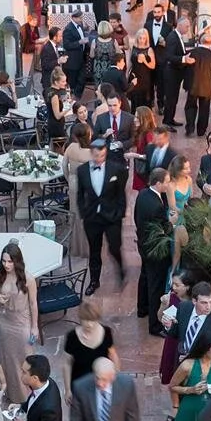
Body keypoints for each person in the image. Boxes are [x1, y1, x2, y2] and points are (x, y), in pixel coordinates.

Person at [77, 137, 128, 296]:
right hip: (92, 218)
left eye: (102, 156)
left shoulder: (116, 169)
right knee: (94, 250)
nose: (99, 159)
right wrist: (83, 212)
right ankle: (94, 281)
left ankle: (120, 270)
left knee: (114, 247)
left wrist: (120, 212)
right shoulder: (82, 170)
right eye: (97, 156)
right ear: (91, 154)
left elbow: (121, 194)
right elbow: (80, 194)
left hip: (112, 216)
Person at [0, 241, 40, 403]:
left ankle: (27, 395)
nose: (6, 264)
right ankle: (11, 392)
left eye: (10, 261)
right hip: (4, 321)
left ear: (17, 261)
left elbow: (34, 303)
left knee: (24, 358)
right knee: (7, 358)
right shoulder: (0, 275)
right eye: (4, 261)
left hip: (22, 322)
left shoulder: (28, 279)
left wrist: (34, 327)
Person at [135, 167, 174, 336]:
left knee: (144, 277)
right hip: (155, 251)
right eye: (166, 182)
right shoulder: (157, 207)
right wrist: (171, 222)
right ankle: (154, 325)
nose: (168, 185)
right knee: (155, 286)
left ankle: (141, 309)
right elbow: (162, 230)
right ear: (158, 183)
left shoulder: (142, 194)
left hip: (143, 246)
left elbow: (136, 218)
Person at [61, 297, 117, 399]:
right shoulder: (72, 337)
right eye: (85, 320)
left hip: (102, 383)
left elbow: (113, 356)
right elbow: (67, 364)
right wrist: (68, 390)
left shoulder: (107, 332)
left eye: (92, 320)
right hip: (80, 384)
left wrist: (116, 380)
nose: (89, 324)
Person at [168, 279, 211, 365]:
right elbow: (175, 333)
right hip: (179, 363)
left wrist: (192, 358)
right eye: (204, 303)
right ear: (194, 301)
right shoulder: (183, 308)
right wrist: (168, 325)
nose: (208, 307)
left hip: (200, 369)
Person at [62, 121, 92, 259]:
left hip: (74, 185)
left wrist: (70, 180)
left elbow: (64, 167)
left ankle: (76, 247)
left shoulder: (71, 147)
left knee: (74, 215)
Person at [185, 37, 211, 139]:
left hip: (193, 86)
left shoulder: (192, 53)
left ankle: (190, 128)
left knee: (190, 107)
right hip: (206, 88)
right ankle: (201, 131)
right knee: (204, 109)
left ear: (200, 42)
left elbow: (185, 66)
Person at [162, 16, 193, 130]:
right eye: (187, 26)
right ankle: (167, 122)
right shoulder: (172, 37)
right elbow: (169, 56)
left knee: (174, 98)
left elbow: (179, 51)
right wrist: (184, 59)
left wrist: (187, 53)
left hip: (176, 73)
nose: (188, 28)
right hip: (171, 74)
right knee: (171, 98)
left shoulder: (178, 36)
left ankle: (170, 119)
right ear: (179, 26)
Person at [91, 88, 134, 153]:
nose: (112, 108)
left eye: (115, 105)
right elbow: (94, 137)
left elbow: (133, 138)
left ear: (120, 103)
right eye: (110, 105)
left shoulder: (129, 118)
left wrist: (122, 144)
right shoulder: (101, 118)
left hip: (123, 153)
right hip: (106, 153)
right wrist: (104, 135)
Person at [61, 11, 88, 97]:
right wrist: (79, 42)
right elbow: (66, 45)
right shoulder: (68, 29)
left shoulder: (80, 25)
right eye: (79, 18)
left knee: (82, 78)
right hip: (73, 60)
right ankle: (73, 97)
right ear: (74, 18)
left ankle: (77, 95)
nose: (81, 19)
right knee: (73, 80)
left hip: (81, 57)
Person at [130, 104, 156, 190]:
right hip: (141, 169)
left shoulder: (148, 134)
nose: (134, 120)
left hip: (145, 170)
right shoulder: (142, 132)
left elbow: (151, 156)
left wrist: (134, 155)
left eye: (137, 117)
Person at [47, 69, 70, 148]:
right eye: (63, 81)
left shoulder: (49, 91)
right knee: (60, 148)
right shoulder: (55, 95)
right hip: (56, 126)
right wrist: (68, 108)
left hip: (51, 122)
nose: (65, 83)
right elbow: (57, 116)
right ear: (56, 82)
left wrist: (62, 100)